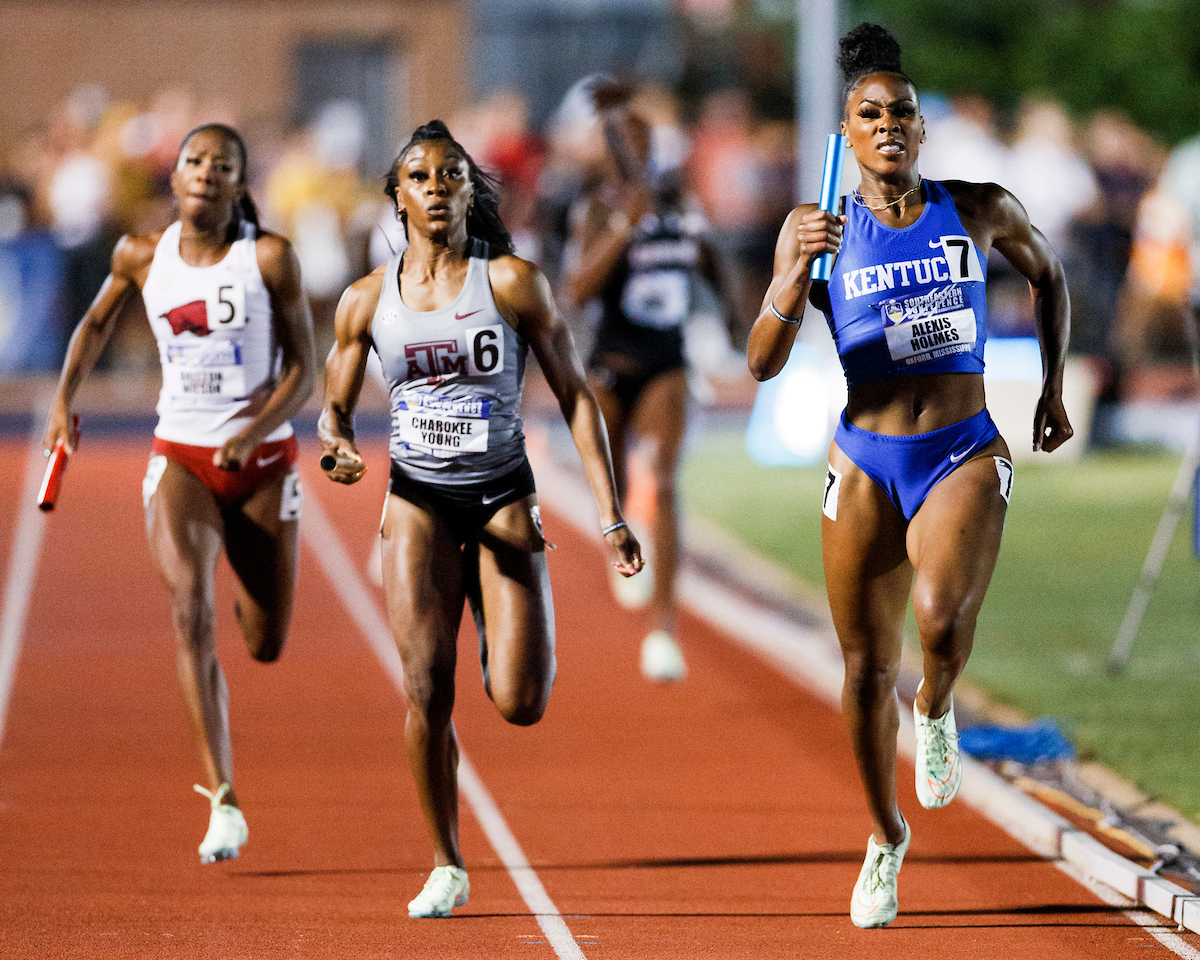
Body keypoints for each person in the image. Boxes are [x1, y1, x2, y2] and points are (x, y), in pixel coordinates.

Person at [747, 23, 1072, 928]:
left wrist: (1049, 388)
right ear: (846, 135)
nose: (888, 124)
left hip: (962, 446)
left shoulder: (977, 208)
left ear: (923, 131)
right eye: (869, 114)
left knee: (938, 618)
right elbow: (761, 364)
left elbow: (1050, 275)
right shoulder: (817, 227)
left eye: (903, 113)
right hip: (865, 455)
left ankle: (935, 706)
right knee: (859, 669)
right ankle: (884, 839)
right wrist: (790, 277)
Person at [318, 120, 642, 918]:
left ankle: (500, 618)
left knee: (520, 700)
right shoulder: (366, 301)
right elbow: (330, 411)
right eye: (419, 177)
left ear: (470, 192)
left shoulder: (510, 283)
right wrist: (339, 447)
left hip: (503, 493)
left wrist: (609, 514)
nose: (435, 188)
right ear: (397, 197)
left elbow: (573, 394)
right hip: (417, 497)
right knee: (426, 686)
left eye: (450, 176)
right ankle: (447, 862)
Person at [43, 123, 315, 864]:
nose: (204, 173)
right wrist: (65, 398)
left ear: (237, 182)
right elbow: (94, 323)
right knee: (188, 608)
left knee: (264, 641)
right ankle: (222, 798)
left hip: (261, 466)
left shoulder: (269, 259)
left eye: (221, 165)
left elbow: (306, 376)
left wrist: (252, 426)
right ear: (176, 176)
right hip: (182, 459)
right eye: (194, 161)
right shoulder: (141, 255)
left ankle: (245, 578)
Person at [564, 81, 735, 681]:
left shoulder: (678, 201)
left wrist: (738, 326)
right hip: (612, 361)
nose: (633, 151)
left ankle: (665, 630)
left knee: (663, 479)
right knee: (608, 477)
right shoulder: (596, 209)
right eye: (622, 141)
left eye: (642, 140)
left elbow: (713, 262)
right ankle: (620, 527)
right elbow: (578, 292)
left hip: (666, 360)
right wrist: (623, 231)